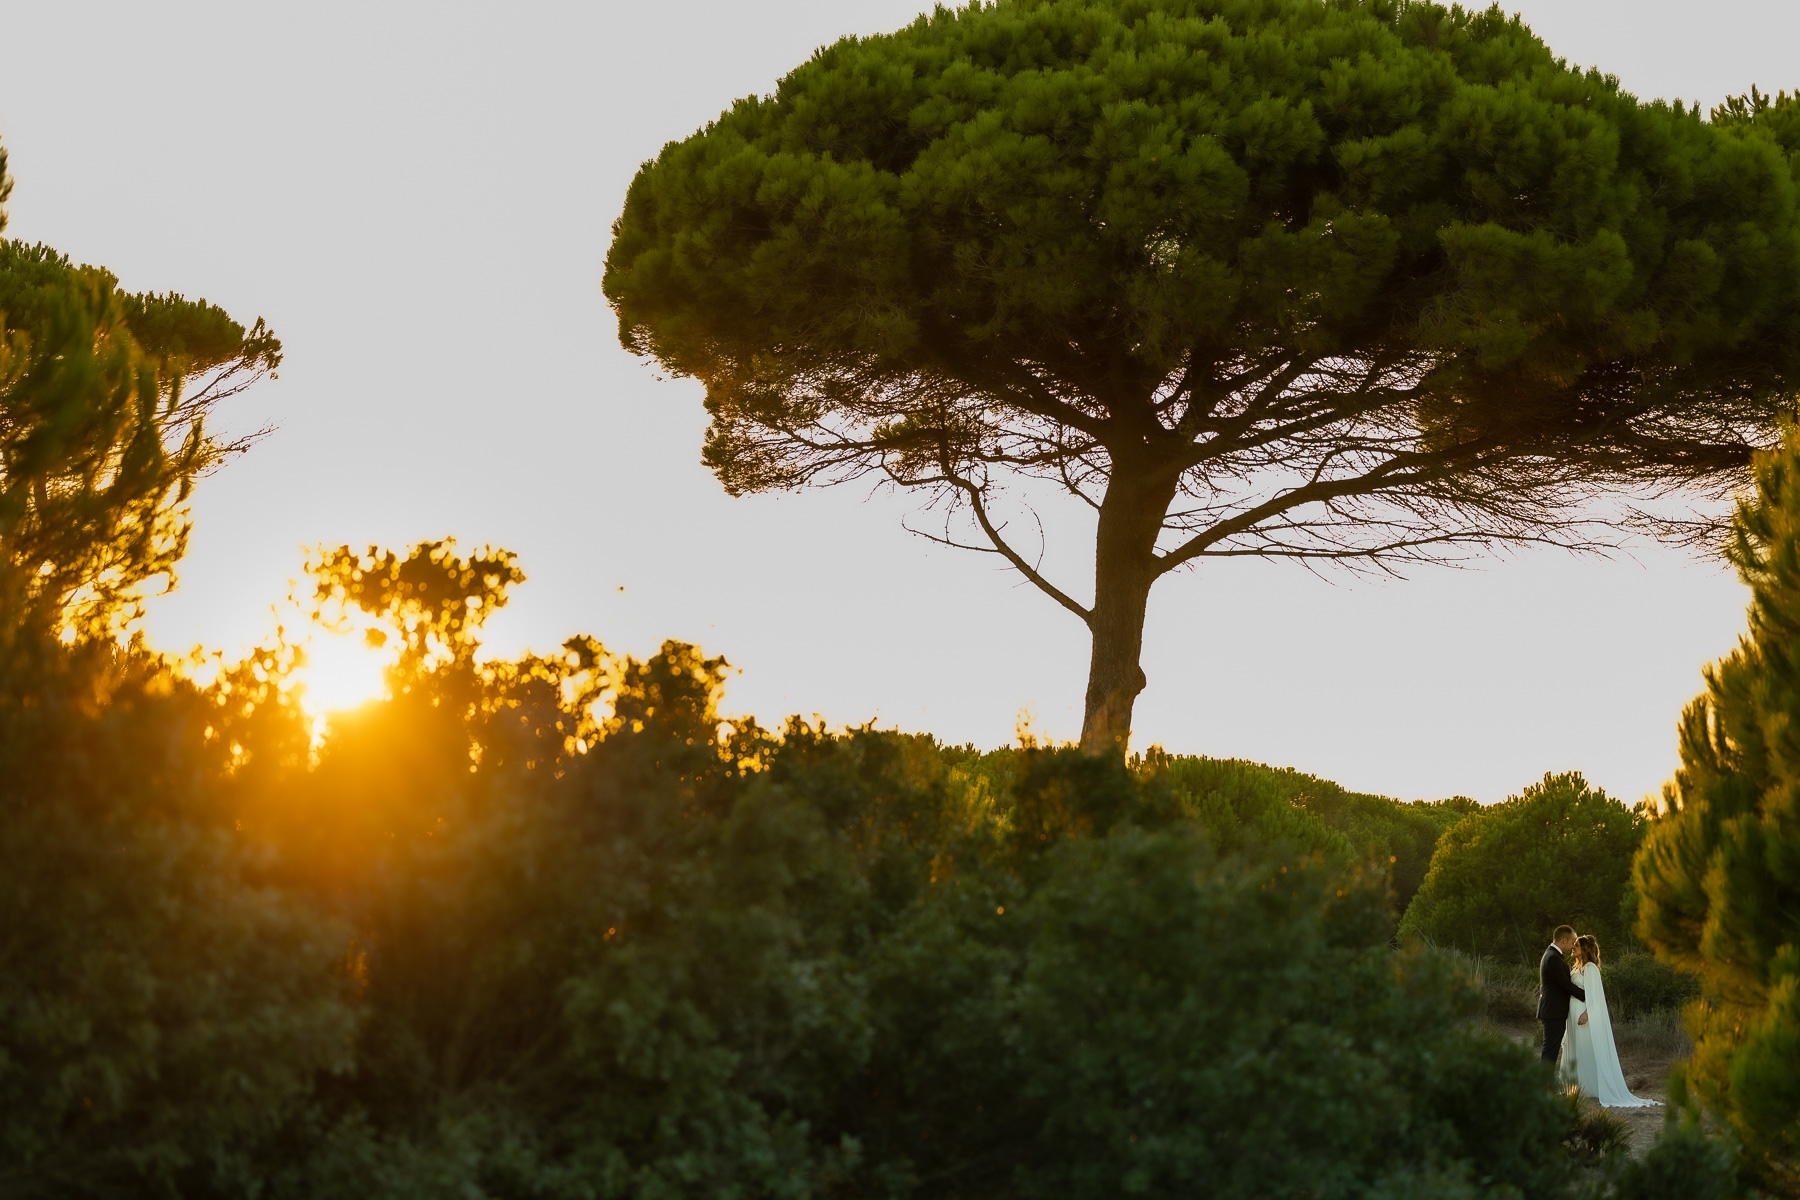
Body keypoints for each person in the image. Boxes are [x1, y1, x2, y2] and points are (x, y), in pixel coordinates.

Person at [1559, 935, 1661, 1108]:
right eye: (1574, 944)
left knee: (1587, 1048)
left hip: (1584, 1016)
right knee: (1579, 1050)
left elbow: (1596, 997)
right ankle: (1580, 1087)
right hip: (1573, 1014)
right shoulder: (1576, 968)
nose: (1573, 947)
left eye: (1577, 945)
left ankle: (1596, 1087)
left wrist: (1587, 1013)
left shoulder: (1590, 968)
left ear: (1585, 949)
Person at [1537, 925, 1585, 1063]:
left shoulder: (1552, 954)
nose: (1573, 946)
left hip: (1553, 1011)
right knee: (1550, 1052)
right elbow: (1565, 985)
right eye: (1572, 942)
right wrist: (1587, 995)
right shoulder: (1553, 957)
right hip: (1553, 1012)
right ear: (1564, 940)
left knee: (1550, 1051)